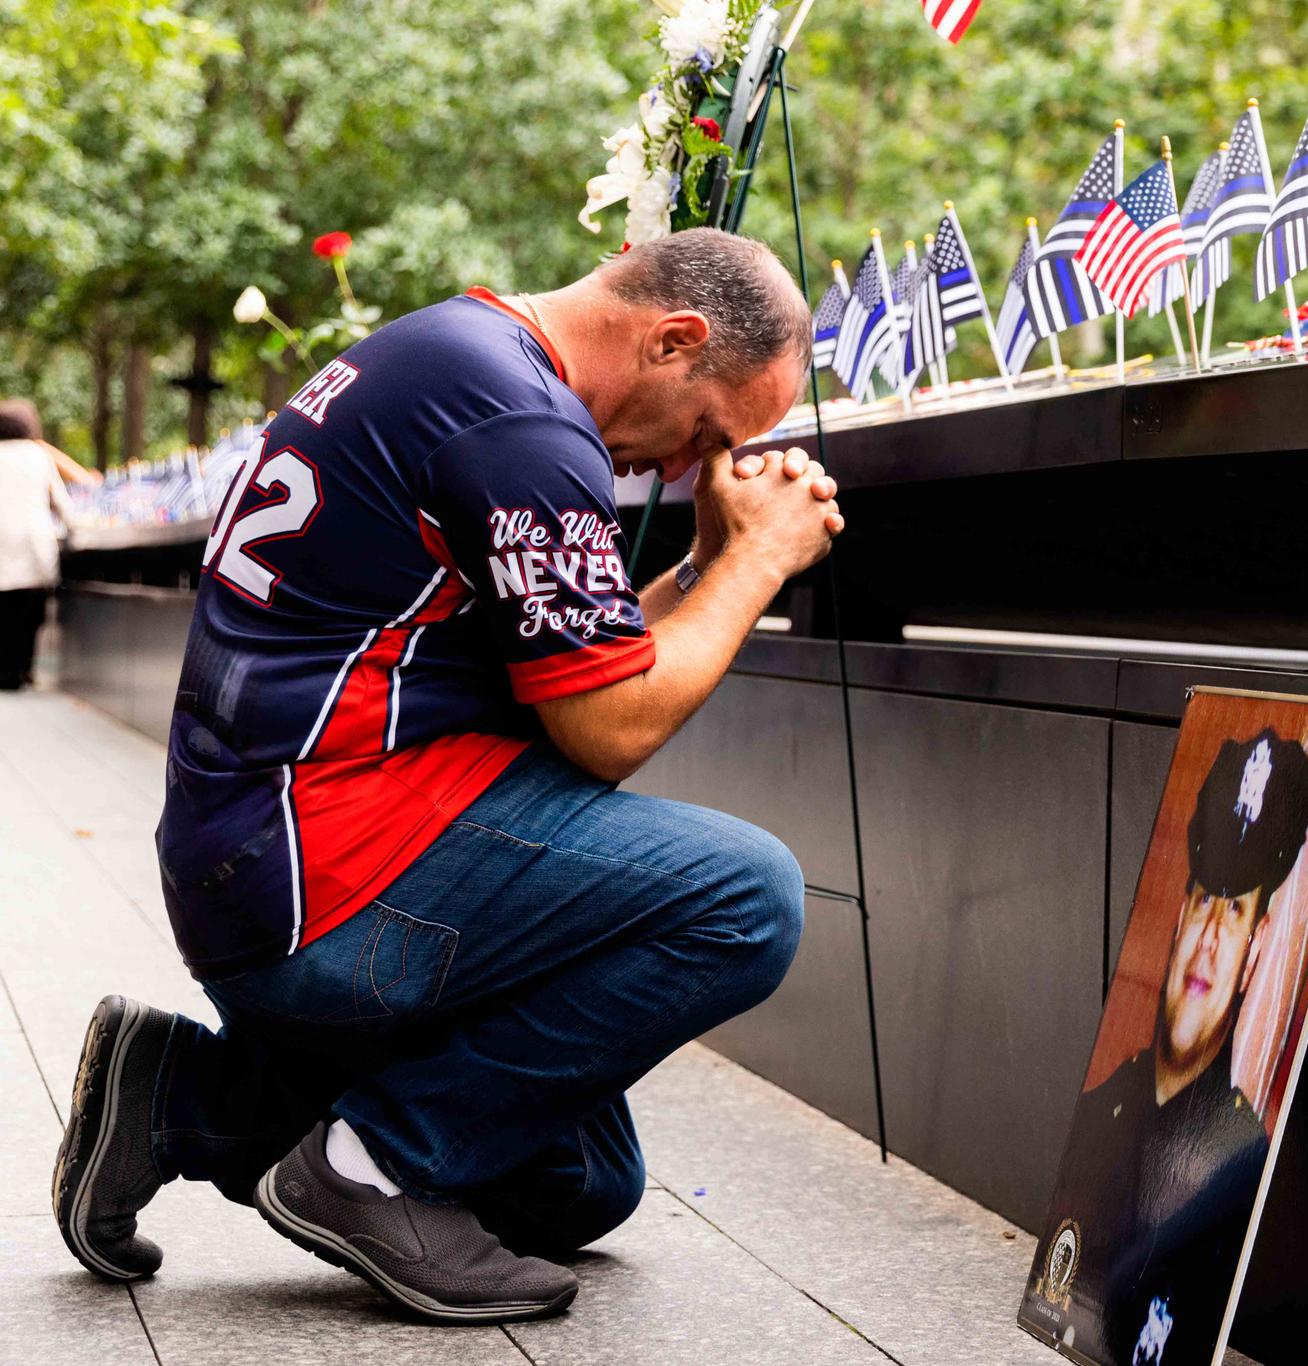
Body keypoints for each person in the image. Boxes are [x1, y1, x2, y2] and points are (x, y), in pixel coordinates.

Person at [50, 229, 843, 1323]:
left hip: (262, 860)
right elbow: (609, 727)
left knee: (580, 1186)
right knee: (747, 896)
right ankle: (372, 1168)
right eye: (705, 430)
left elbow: (580, 666)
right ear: (673, 339)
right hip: (324, 885)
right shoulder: (519, 423)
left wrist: (709, 561)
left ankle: (184, 1097)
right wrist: (759, 562)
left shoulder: (460, 355)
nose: (677, 466)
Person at [1022, 729, 1308, 1366]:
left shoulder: (1240, 1177)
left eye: (1233, 913)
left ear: (1254, 952)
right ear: (1180, 919)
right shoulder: (1097, 1115)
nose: (1209, 937)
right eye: (1204, 900)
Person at [0, 399, 79, 690]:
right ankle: (23, 670)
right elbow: (61, 500)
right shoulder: (38, 454)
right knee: (29, 614)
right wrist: (77, 528)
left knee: (3, 613)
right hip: (33, 546)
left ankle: (4, 671)